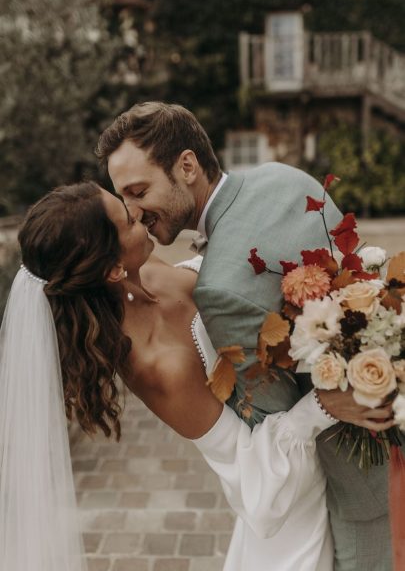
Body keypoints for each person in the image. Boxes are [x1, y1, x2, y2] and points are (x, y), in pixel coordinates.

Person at [0, 182, 390, 571]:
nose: (136, 212)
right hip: (291, 506)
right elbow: (246, 467)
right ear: (113, 268)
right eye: (125, 220)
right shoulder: (157, 366)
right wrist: (322, 406)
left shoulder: (143, 268)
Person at [97, 101, 398, 571]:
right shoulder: (286, 177)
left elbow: (274, 420)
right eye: (124, 199)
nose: (135, 212)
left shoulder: (218, 289)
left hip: (357, 489)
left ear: (188, 165)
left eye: (139, 191)